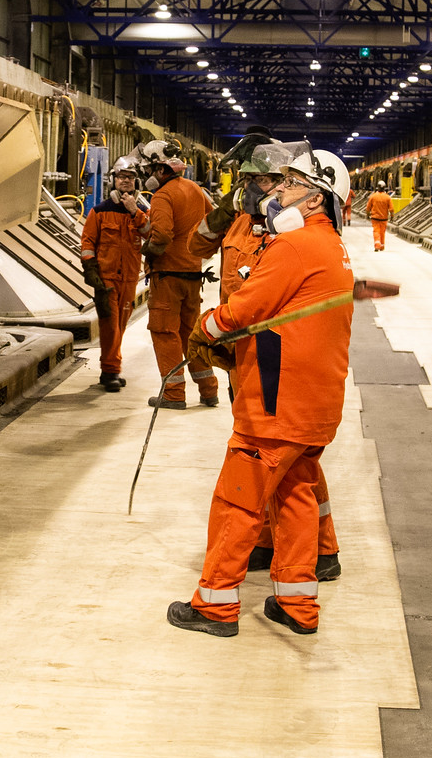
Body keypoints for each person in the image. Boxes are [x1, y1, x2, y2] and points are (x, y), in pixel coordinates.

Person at [169, 149, 354, 637]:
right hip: (312, 403)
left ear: (316, 199)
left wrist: (203, 330)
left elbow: (239, 312)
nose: (277, 192)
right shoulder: (329, 245)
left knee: (238, 501)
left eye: (290, 185)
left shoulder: (294, 248)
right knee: (294, 497)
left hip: (276, 403)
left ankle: (215, 605)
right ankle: (297, 604)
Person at [139, 139, 219, 409]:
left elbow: (161, 236)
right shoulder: (196, 189)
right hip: (193, 274)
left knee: (164, 331)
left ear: (162, 169)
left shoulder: (163, 195)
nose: (150, 176)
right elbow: (212, 223)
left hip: (168, 276)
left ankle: (173, 394)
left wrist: (147, 251)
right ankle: (209, 390)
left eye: (151, 169)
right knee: (191, 333)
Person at [80, 157, 148, 393]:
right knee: (110, 326)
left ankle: (110, 369)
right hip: (107, 279)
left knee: (121, 324)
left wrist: (134, 212)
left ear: (135, 182)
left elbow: (151, 234)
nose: (125, 182)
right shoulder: (99, 212)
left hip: (129, 278)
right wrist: (90, 270)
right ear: (114, 181)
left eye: (130, 178)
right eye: (121, 177)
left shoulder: (140, 212)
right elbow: (87, 242)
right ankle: (110, 370)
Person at [365, 184, 395, 251]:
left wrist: (367, 215)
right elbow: (391, 209)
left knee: (376, 231)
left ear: (377, 187)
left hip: (375, 217)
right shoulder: (387, 197)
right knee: (382, 232)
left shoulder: (373, 196)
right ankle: (382, 246)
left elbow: (368, 208)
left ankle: (377, 245)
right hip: (384, 218)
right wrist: (392, 216)